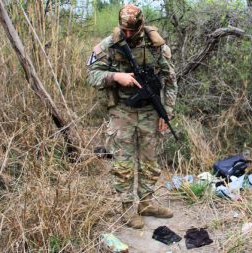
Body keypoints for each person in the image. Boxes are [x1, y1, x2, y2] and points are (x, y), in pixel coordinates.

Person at [86, 4, 177, 229]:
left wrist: (167, 113)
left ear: (141, 25)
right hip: (122, 110)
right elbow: (92, 75)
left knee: (150, 161)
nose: (128, 35)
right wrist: (116, 76)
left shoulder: (156, 45)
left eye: (132, 31)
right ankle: (127, 208)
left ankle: (146, 203)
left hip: (149, 110)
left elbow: (171, 80)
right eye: (124, 30)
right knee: (123, 162)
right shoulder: (110, 44)